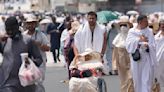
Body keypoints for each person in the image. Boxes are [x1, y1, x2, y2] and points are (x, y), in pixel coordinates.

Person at [0, 16, 43, 92]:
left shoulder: (27, 41)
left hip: (25, 82)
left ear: (17, 27)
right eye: (8, 30)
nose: (10, 32)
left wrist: (30, 63)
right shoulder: (4, 41)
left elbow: (39, 59)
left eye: (11, 30)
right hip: (6, 82)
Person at [126, 15, 156, 92]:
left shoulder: (149, 31)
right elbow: (128, 45)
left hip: (146, 58)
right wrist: (139, 40)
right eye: (145, 21)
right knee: (137, 79)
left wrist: (147, 45)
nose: (147, 23)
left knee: (146, 79)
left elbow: (153, 44)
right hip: (136, 59)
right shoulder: (132, 31)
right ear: (140, 22)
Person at [24, 14, 50, 92]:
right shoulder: (23, 35)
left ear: (35, 24)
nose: (30, 25)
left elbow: (48, 48)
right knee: (28, 83)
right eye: (29, 23)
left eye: (32, 23)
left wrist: (39, 45)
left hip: (40, 63)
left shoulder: (41, 35)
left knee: (38, 82)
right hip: (27, 63)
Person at [112, 16, 134, 92]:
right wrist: (114, 66)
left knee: (131, 79)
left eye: (125, 25)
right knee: (123, 82)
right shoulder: (117, 39)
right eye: (121, 25)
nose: (123, 27)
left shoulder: (132, 37)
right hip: (121, 64)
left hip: (132, 62)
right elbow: (114, 54)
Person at [155, 18, 164, 88]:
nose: (163, 26)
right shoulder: (156, 35)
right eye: (161, 25)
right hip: (158, 59)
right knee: (157, 77)